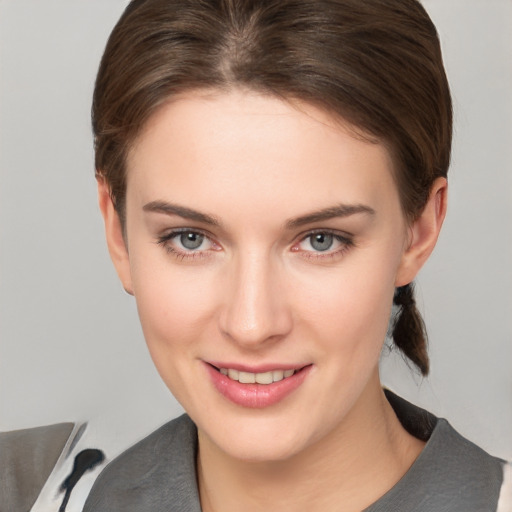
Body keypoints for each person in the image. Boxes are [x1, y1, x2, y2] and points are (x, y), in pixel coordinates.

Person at [0, 1, 510, 511]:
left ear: (418, 231)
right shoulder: (25, 492)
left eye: (321, 240)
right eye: (190, 238)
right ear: (117, 229)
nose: (251, 324)